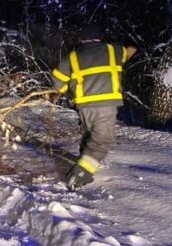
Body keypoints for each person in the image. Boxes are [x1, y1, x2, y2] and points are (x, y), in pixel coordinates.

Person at [51, 24, 137, 190]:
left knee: (90, 135)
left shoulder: (73, 56)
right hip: (106, 104)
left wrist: (63, 91)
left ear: (81, 39)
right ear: (99, 37)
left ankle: (84, 158)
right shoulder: (114, 51)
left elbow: (57, 82)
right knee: (103, 140)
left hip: (84, 106)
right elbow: (130, 50)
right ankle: (80, 173)